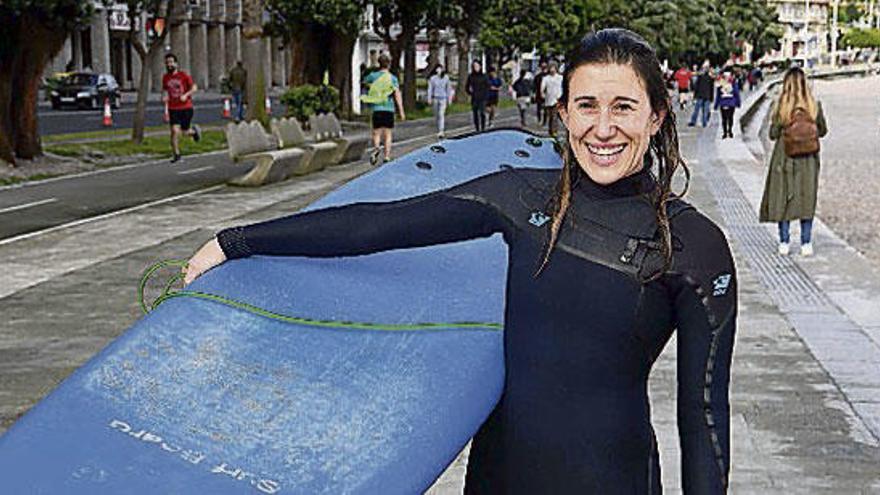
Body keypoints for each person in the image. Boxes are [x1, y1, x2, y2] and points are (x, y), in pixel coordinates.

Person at [183, 28, 736, 494]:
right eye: (586, 106)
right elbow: (378, 223)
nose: (603, 127)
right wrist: (234, 242)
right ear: (564, 112)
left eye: (624, 107)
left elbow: (702, 414)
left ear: (657, 116)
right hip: (499, 475)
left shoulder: (693, 247)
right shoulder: (521, 198)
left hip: (613, 478)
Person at [759, 67, 827, 257]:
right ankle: (806, 243)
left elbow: (772, 135)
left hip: (784, 157)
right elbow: (822, 131)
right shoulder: (814, 106)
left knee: (784, 197)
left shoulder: (782, 107)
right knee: (806, 197)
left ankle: (784, 241)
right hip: (809, 160)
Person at [361, 54, 406, 165]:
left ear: (378, 63)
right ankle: (386, 156)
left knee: (376, 133)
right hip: (388, 108)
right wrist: (401, 111)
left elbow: (364, 82)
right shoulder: (392, 78)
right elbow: (397, 95)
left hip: (376, 108)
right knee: (388, 134)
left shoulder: (373, 76)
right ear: (389, 64)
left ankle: (376, 148)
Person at [162, 53, 201, 163]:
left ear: (176, 64)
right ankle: (176, 154)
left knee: (184, 132)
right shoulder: (165, 78)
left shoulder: (183, 76)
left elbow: (194, 87)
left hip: (186, 107)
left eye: (171, 62)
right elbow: (165, 90)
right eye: (167, 63)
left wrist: (186, 95)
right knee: (174, 131)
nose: (169, 65)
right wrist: (164, 96)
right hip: (173, 108)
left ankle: (194, 132)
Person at [427, 64, 452, 139]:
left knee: (441, 114)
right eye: (437, 69)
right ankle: (438, 127)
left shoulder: (446, 78)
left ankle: (441, 130)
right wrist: (429, 98)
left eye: (440, 69)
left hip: (443, 98)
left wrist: (449, 99)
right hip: (435, 98)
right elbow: (430, 89)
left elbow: (448, 89)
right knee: (437, 114)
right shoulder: (433, 78)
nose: (439, 70)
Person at [714, 70, 740, 139]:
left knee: (724, 118)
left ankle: (725, 132)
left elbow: (718, 95)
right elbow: (736, 93)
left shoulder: (720, 84)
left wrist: (716, 105)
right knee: (730, 117)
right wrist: (738, 103)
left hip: (723, 103)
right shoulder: (733, 84)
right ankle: (730, 131)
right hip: (731, 103)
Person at [465, 61, 490, 132]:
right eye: (474, 66)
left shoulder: (484, 76)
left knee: (482, 113)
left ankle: (483, 127)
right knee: (475, 113)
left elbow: (488, 86)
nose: (476, 68)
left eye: (477, 66)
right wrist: (470, 93)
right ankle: (477, 129)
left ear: (480, 67)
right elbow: (467, 87)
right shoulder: (471, 76)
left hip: (483, 97)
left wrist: (486, 96)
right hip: (475, 97)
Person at [540, 61, 563, 136]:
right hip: (549, 99)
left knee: (554, 116)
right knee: (551, 117)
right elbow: (542, 88)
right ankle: (551, 131)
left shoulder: (560, 78)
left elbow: (563, 87)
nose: (552, 70)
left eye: (553, 68)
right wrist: (542, 94)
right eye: (551, 68)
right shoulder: (546, 78)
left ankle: (554, 132)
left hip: (558, 99)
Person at [689, 61, 715, 128]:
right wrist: (711, 98)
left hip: (700, 95)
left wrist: (695, 96)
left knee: (697, 110)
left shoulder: (700, 77)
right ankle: (704, 123)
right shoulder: (710, 78)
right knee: (705, 110)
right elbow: (712, 88)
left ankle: (693, 121)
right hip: (706, 96)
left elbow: (697, 87)